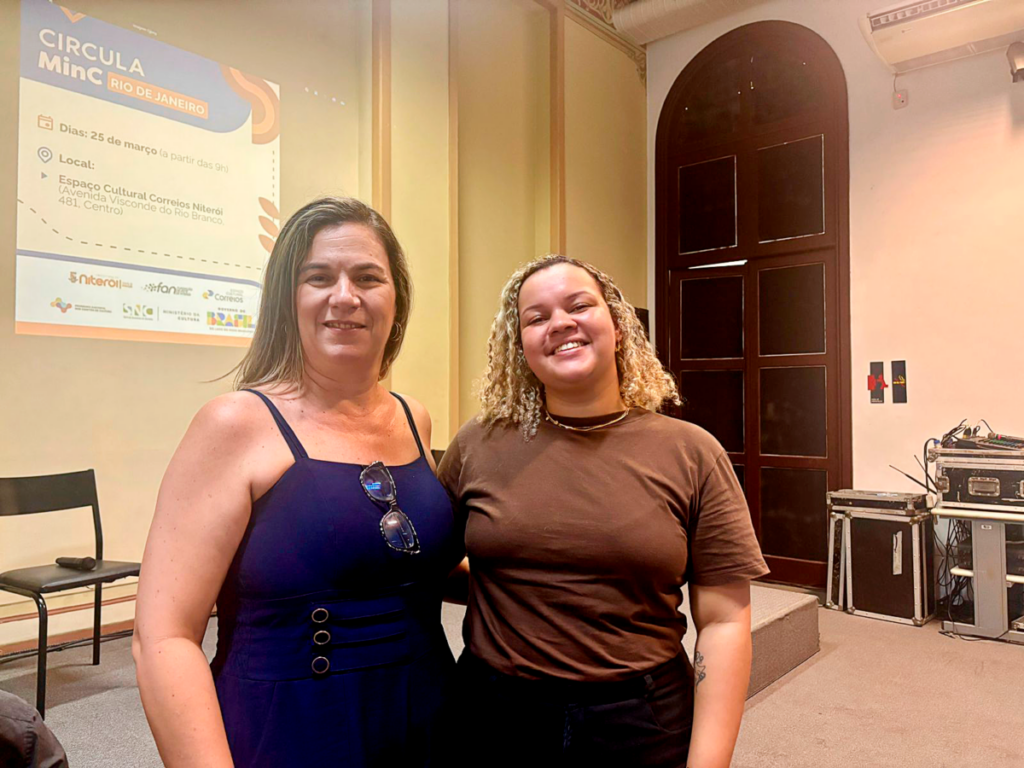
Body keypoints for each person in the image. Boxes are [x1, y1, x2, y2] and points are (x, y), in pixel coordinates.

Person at [133, 197, 461, 767]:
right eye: (319, 277)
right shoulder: (235, 424)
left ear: (397, 300)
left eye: (368, 278)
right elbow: (164, 640)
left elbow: (407, 569)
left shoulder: (414, 418)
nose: (345, 296)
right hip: (293, 731)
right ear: (288, 300)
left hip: (429, 721)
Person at [438, 254, 769, 768]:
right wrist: (515, 593)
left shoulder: (692, 452)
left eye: (579, 306)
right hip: (493, 714)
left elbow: (724, 620)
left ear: (617, 326)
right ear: (520, 346)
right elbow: (429, 567)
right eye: (536, 317)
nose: (560, 323)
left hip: (641, 720)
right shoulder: (477, 444)